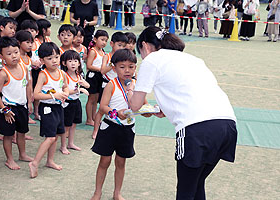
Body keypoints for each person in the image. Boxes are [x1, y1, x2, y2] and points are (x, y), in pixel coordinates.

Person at [130, 26, 237, 200]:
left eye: (140, 51)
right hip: (226, 124)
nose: (142, 56)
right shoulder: (193, 59)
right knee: (196, 183)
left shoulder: (152, 60)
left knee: (186, 191)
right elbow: (192, 90)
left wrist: (129, 91)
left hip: (196, 129)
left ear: (145, 46)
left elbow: (134, 105)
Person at [91, 49, 145, 200]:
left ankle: (117, 193)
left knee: (121, 162)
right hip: (109, 127)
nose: (127, 70)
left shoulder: (137, 85)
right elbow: (102, 107)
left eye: (131, 66)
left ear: (136, 67)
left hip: (127, 129)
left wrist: (148, 111)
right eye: (122, 67)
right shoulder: (111, 85)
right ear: (114, 68)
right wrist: (115, 113)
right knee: (105, 160)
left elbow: (143, 104)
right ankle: (97, 192)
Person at [28, 42, 69, 178]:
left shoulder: (62, 73)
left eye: (56, 57)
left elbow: (65, 87)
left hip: (58, 107)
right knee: (50, 137)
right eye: (50, 58)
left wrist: (65, 92)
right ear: (42, 60)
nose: (54, 61)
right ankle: (35, 162)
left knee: (56, 135)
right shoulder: (43, 74)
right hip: (47, 108)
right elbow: (36, 95)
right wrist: (54, 95)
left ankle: (50, 161)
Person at [0, 37, 33, 170]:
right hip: (8, 109)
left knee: (22, 132)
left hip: (22, 106)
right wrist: (4, 110)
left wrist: (30, 102)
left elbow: (27, 85)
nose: (14, 56)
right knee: (8, 135)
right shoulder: (3, 73)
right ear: (1, 56)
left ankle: (22, 154)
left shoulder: (23, 66)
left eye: (16, 52)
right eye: (9, 54)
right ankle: (9, 159)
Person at [92, 31, 128, 139]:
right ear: (112, 44)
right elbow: (103, 70)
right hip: (107, 85)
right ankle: (95, 130)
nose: (121, 48)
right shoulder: (107, 56)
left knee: (118, 108)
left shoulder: (124, 57)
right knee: (102, 110)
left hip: (119, 87)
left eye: (123, 46)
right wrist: (113, 62)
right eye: (119, 45)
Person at [59, 50, 90, 154]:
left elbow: (88, 86)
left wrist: (84, 84)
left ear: (79, 63)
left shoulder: (78, 75)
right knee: (66, 126)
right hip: (67, 103)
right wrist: (79, 89)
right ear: (64, 63)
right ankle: (63, 146)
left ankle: (70, 143)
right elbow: (65, 92)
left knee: (74, 124)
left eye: (76, 61)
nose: (73, 63)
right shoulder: (64, 75)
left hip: (76, 102)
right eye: (70, 61)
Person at [85, 30, 108, 126]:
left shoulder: (102, 52)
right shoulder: (93, 51)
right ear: (95, 39)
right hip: (93, 76)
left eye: (106, 40)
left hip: (100, 76)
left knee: (96, 99)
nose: (104, 42)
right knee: (91, 98)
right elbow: (89, 65)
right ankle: (89, 119)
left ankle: (94, 117)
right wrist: (100, 69)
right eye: (102, 39)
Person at [16, 30, 36, 125]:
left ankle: (22, 132)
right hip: (18, 88)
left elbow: (30, 76)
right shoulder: (16, 58)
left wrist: (31, 91)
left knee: (26, 107)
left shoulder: (28, 59)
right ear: (19, 42)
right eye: (27, 42)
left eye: (31, 42)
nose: (30, 45)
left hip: (26, 86)